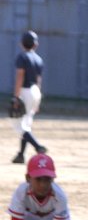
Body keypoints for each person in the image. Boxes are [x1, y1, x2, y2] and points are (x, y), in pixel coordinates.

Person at [11, 30, 47, 164]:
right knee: (27, 123)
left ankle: (38, 146)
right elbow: (39, 80)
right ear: (35, 44)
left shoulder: (22, 57)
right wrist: (38, 100)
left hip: (25, 90)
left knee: (18, 124)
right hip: (35, 91)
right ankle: (21, 155)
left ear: (22, 44)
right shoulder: (38, 59)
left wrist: (16, 97)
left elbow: (20, 76)